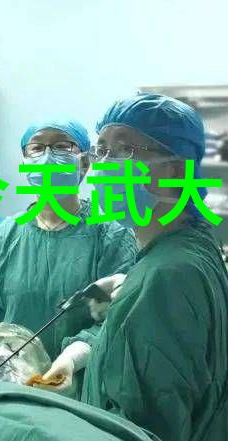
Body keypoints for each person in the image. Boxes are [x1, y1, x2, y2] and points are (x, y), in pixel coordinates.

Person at [0, 120, 138, 393]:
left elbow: (118, 319)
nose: (47, 156)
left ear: (84, 163)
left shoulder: (111, 236)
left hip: (82, 388)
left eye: (62, 146)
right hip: (11, 386)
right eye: (37, 148)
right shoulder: (2, 236)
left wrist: (72, 358)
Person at [82, 94, 228, 441]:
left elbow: (143, 429)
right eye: (101, 150)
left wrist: (143, 292)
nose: (104, 164)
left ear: (175, 171)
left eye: (123, 149)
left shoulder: (167, 276)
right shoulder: (187, 248)